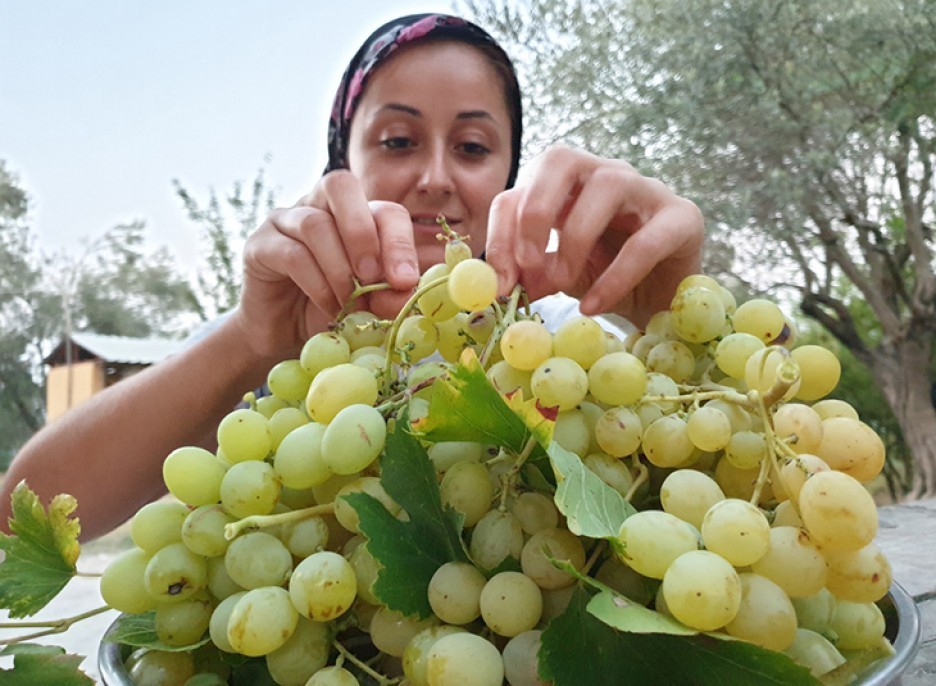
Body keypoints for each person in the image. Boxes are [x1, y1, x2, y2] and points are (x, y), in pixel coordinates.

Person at [0, 13, 703, 542]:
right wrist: (247, 339)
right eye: (397, 140)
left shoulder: (566, 347)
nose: (434, 178)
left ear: (510, 177)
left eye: (472, 146)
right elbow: (22, 517)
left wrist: (669, 316)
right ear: (342, 163)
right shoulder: (283, 348)